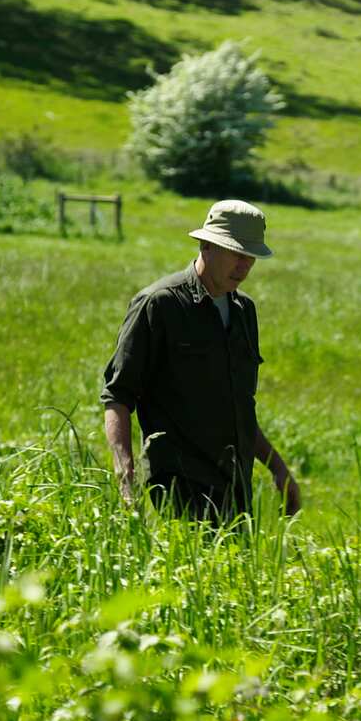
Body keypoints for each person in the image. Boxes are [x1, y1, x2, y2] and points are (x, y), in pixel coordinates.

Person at [101, 200, 301, 521]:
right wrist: (126, 479)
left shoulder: (243, 312)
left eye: (251, 257)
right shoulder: (159, 305)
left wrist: (278, 468)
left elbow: (239, 408)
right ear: (206, 245)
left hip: (235, 492)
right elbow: (118, 396)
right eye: (237, 253)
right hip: (176, 488)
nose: (245, 265)